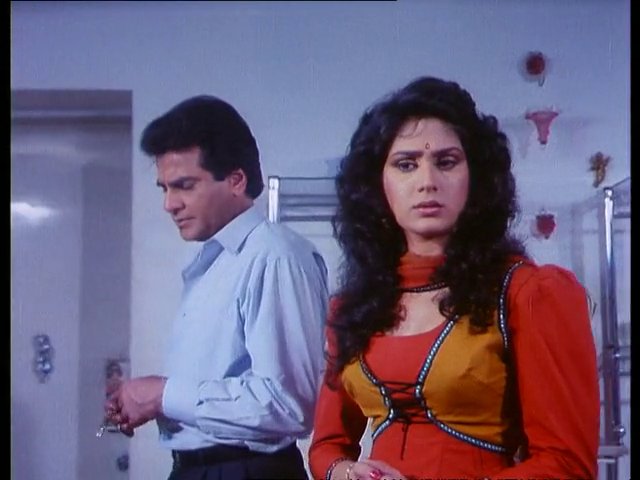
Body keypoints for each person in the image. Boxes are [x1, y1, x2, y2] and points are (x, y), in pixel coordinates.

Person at [308, 76, 600, 480]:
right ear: (378, 183)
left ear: (475, 177)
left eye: (446, 162)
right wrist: (346, 473)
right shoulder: (353, 308)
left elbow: (567, 465)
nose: (427, 181)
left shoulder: (529, 294)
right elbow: (327, 447)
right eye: (406, 164)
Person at [104, 95, 329, 479]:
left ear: (236, 181)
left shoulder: (275, 257)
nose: (169, 204)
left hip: (245, 472)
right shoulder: (214, 262)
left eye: (184, 186)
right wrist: (147, 401)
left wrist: (162, 394)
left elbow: (289, 406)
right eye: (164, 188)